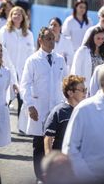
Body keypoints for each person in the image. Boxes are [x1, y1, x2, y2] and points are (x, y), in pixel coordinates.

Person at [19, 27, 67, 182]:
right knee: (40, 144)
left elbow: (66, 82)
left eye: (53, 38)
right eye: (48, 38)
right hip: (39, 108)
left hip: (57, 107)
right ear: (40, 40)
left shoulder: (60, 59)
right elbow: (25, 84)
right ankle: (40, 177)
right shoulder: (32, 60)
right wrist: (30, 105)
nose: (52, 41)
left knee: (57, 143)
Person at [44, 75, 86, 154]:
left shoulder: (86, 110)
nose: (85, 93)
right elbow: (48, 138)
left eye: (85, 90)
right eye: (82, 90)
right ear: (70, 93)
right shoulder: (59, 111)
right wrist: (49, 157)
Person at [0, 6, 34, 84]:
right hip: (6, 68)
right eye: (15, 14)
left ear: (23, 17)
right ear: (11, 16)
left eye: (19, 14)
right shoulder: (4, 31)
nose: (17, 16)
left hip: (22, 70)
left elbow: (30, 53)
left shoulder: (29, 34)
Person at [70, 26, 104, 92]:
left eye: (103, 39)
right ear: (92, 37)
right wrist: (78, 88)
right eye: (98, 38)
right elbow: (76, 70)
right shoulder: (83, 51)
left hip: (99, 89)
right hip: (85, 88)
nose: (101, 41)